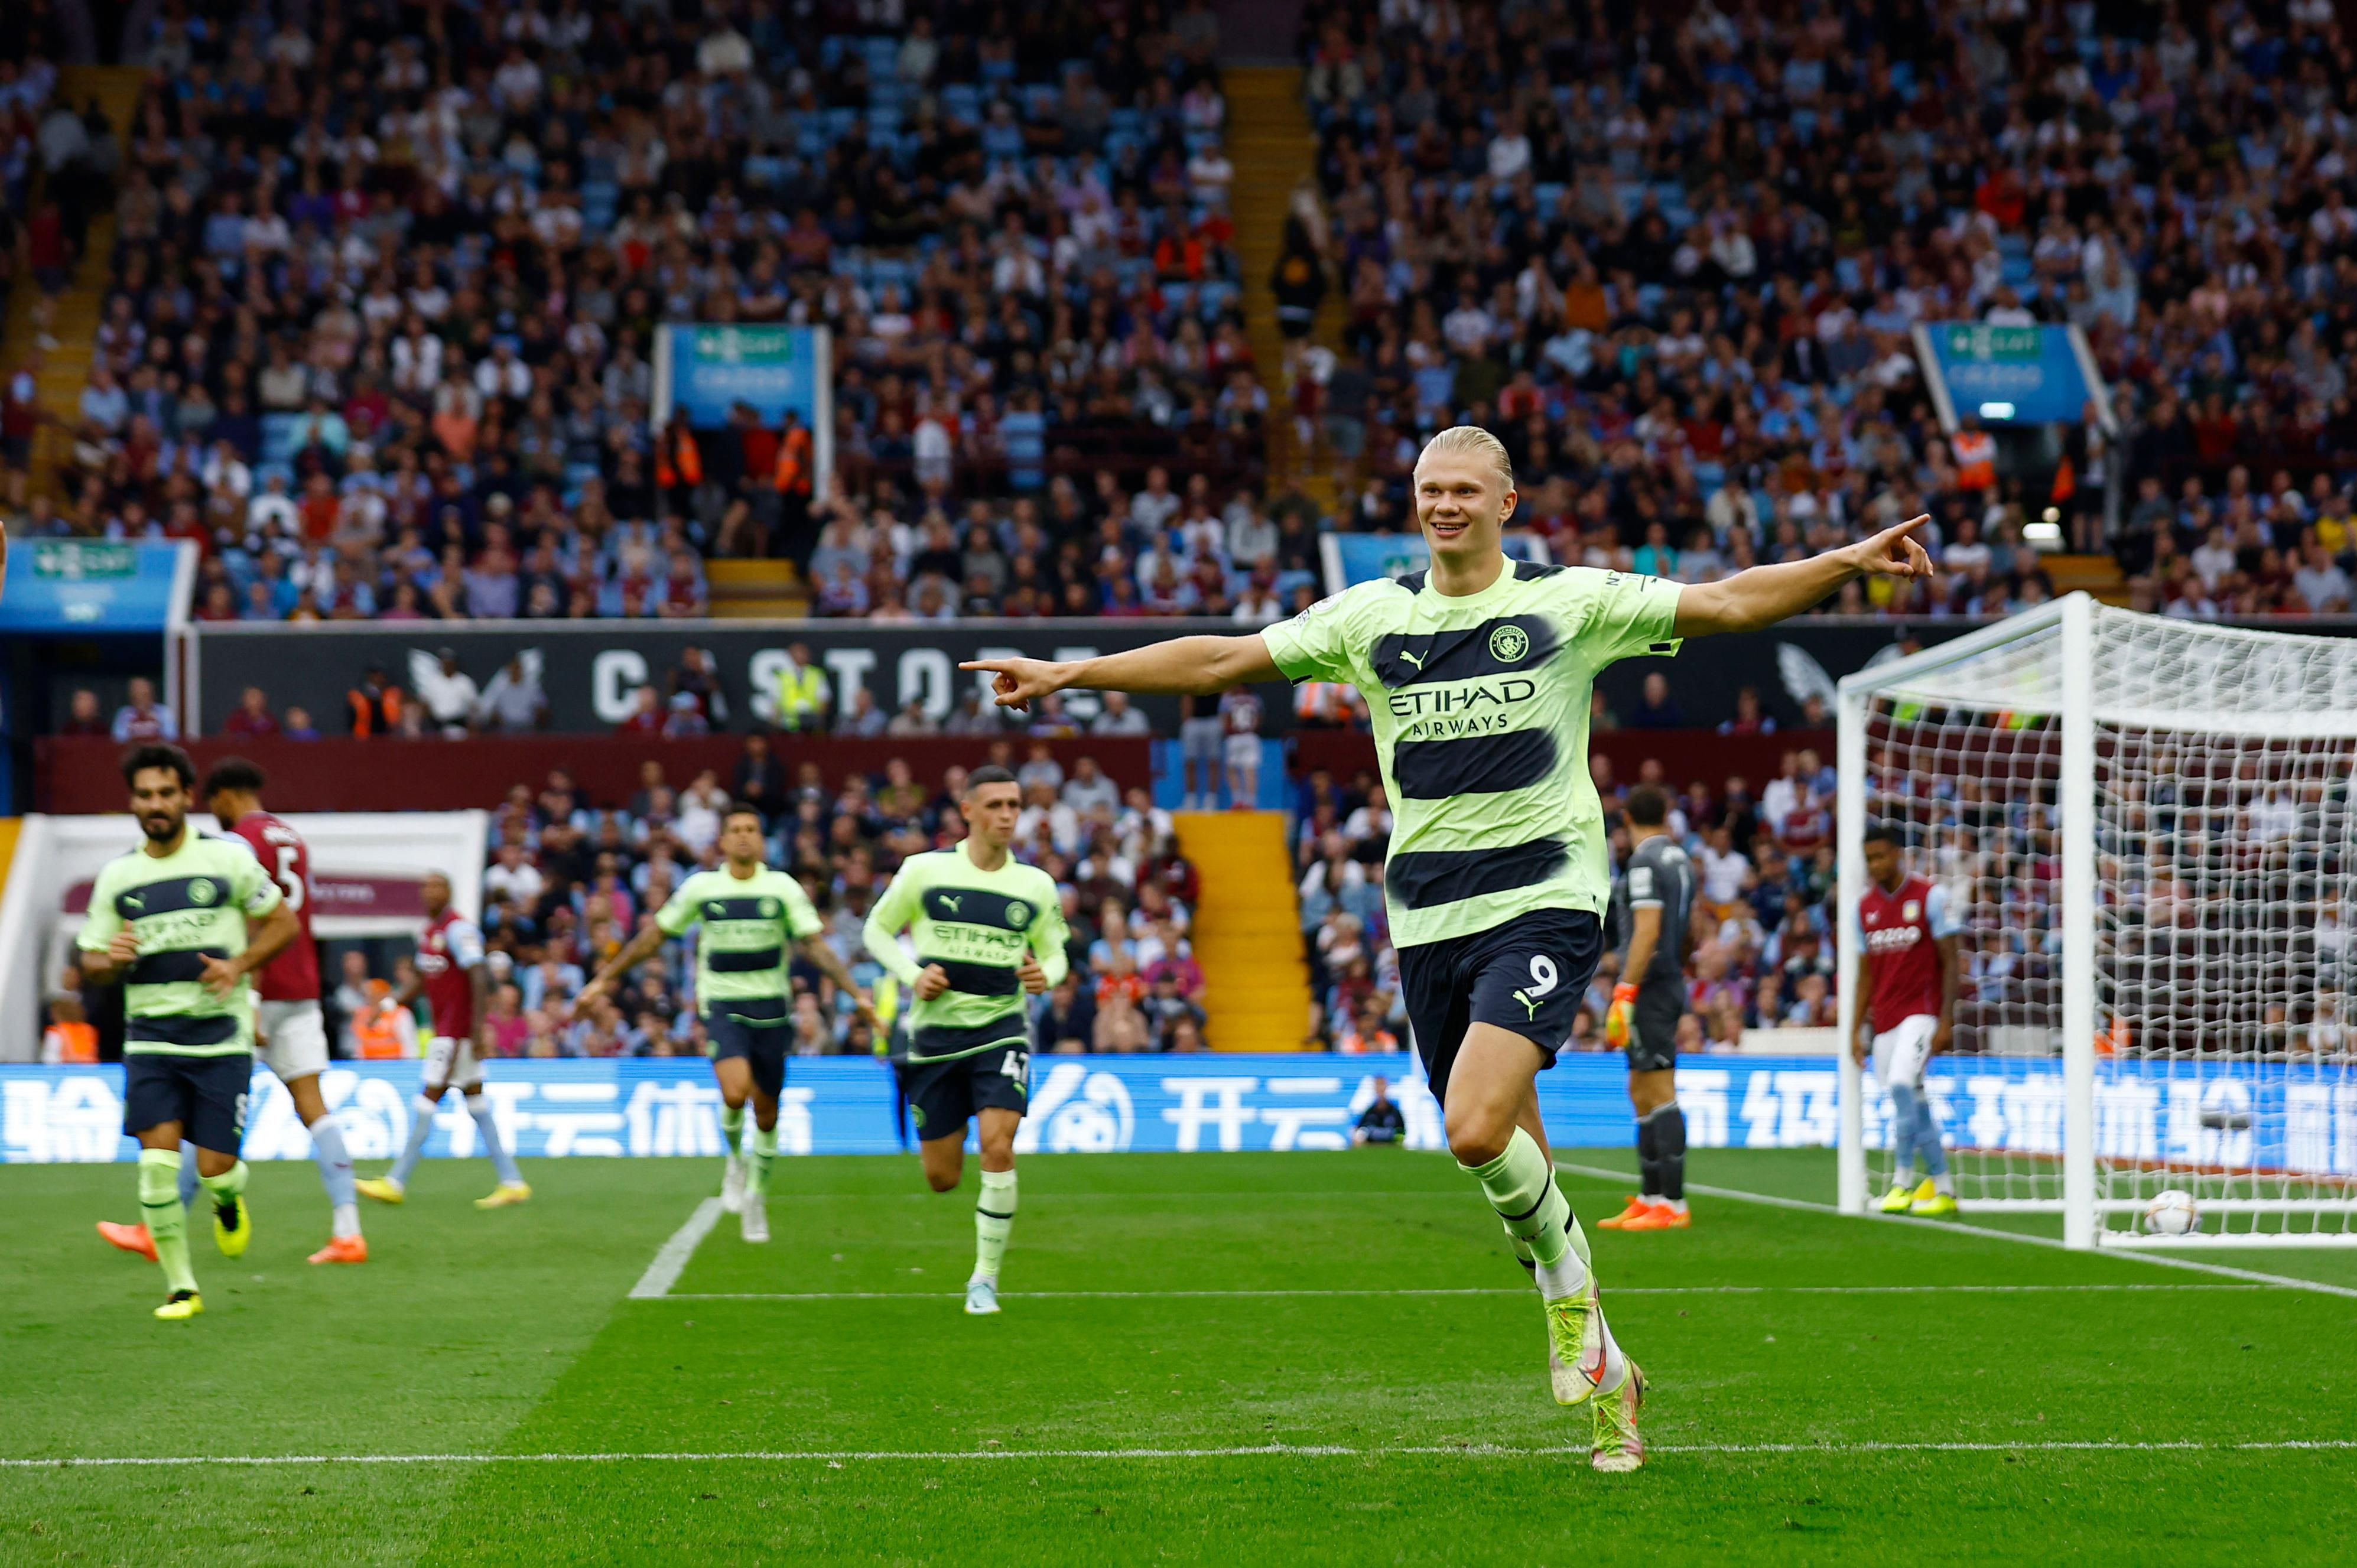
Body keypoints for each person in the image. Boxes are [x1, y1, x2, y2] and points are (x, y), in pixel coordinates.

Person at [963, 423, 1932, 1474]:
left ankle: (1570, 1300)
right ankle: (1612, 1373)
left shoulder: (1569, 602)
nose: (1446, 504)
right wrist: (1072, 672)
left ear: (1507, 503)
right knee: (1511, 1147)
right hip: (1426, 916)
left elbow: (1733, 600)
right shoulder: (1374, 616)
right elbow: (1223, 659)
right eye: (1431, 488)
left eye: (1467, 488)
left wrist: (1843, 562)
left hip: (1549, 895)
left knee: (1473, 1128)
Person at [99, 759, 367, 1268]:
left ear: (222, 795)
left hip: (251, 988)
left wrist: (252, 995)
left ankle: (158, 1227)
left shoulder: (237, 843)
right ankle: (348, 1231)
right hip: (303, 987)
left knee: (205, 1105)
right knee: (314, 1107)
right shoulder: (293, 836)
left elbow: (244, 919)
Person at [576, 806, 874, 1242]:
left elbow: (814, 946)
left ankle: (756, 1194)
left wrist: (856, 994)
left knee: (768, 1113)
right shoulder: (702, 888)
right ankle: (736, 1161)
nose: (743, 837)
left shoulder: (781, 888)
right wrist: (605, 978)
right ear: (721, 840)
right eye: (735, 830)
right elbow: (654, 936)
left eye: (751, 830)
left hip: (773, 1011)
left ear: (762, 840)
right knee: (735, 1093)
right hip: (723, 1006)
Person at [77, 744, 299, 1319]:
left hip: (220, 1039)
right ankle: (182, 1287)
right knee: (156, 1163)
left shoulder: (227, 860)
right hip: (150, 1039)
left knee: (215, 1167)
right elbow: (92, 962)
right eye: (145, 794)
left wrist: (239, 964)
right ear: (133, 801)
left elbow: (284, 920)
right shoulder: (118, 876)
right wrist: (113, 957)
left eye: (166, 793)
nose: (156, 804)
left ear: (185, 797)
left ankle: (228, 1199)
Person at [861, 766, 1069, 1315]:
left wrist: (1048, 974)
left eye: (1015, 805)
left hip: (1003, 1031)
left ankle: (984, 1279)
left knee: (998, 1146)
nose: (1007, 815)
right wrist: (912, 976)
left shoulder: (1035, 885)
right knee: (942, 1178)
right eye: (996, 804)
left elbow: (1055, 950)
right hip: (933, 1040)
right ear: (968, 810)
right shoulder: (923, 872)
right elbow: (875, 931)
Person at [355, 873, 531, 1209]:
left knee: (428, 1097)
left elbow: (479, 974)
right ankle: (512, 1181)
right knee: (476, 1104)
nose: (429, 892)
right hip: (449, 1031)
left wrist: (477, 1031)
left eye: (436, 887)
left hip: (456, 1033)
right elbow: (422, 978)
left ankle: (396, 1181)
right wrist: (388, 1005)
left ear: (448, 892)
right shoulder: (429, 932)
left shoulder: (458, 929)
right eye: (425, 887)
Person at [1850, 825, 1963, 1218]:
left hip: (1921, 1013)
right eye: (1869, 859)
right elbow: (1863, 974)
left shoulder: (1930, 897)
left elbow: (1951, 960)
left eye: (1880, 856)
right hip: (1884, 1020)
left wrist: (1946, 1019)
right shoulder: (1862, 908)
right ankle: (1944, 1187)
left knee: (1900, 1084)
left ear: (1897, 854)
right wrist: (1853, 1029)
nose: (1874, 865)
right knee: (1913, 1100)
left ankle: (1900, 1182)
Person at [1600, 784, 1694, 1232]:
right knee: (1640, 1088)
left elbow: (1647, 929)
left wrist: (1625, 989)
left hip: (1650, 987)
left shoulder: (1643, 861)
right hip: (1665, 980)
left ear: (1627, 821)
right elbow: (1684, 926)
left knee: (1658, 1089)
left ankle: (1672, 1202)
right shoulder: (1679, 858)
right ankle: (1650, 1194)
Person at [111, 676, 178, 743]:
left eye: (144, 695)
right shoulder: (124, 713)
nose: (140, 699)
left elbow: (171, 737)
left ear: (152, 695)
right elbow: (118, 739)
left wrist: (156, 722)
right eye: (136, 695)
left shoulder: (164, 712)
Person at [1353, 1078, 1406, 1146]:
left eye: (1382, 1085)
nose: (1380, 1088)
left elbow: (1402, 1134)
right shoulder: (1369, 1113)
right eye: (1378, 1085)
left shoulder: (1395, 1113)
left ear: (1386, 1087)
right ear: (1374, 1087)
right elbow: (1358, 1131)